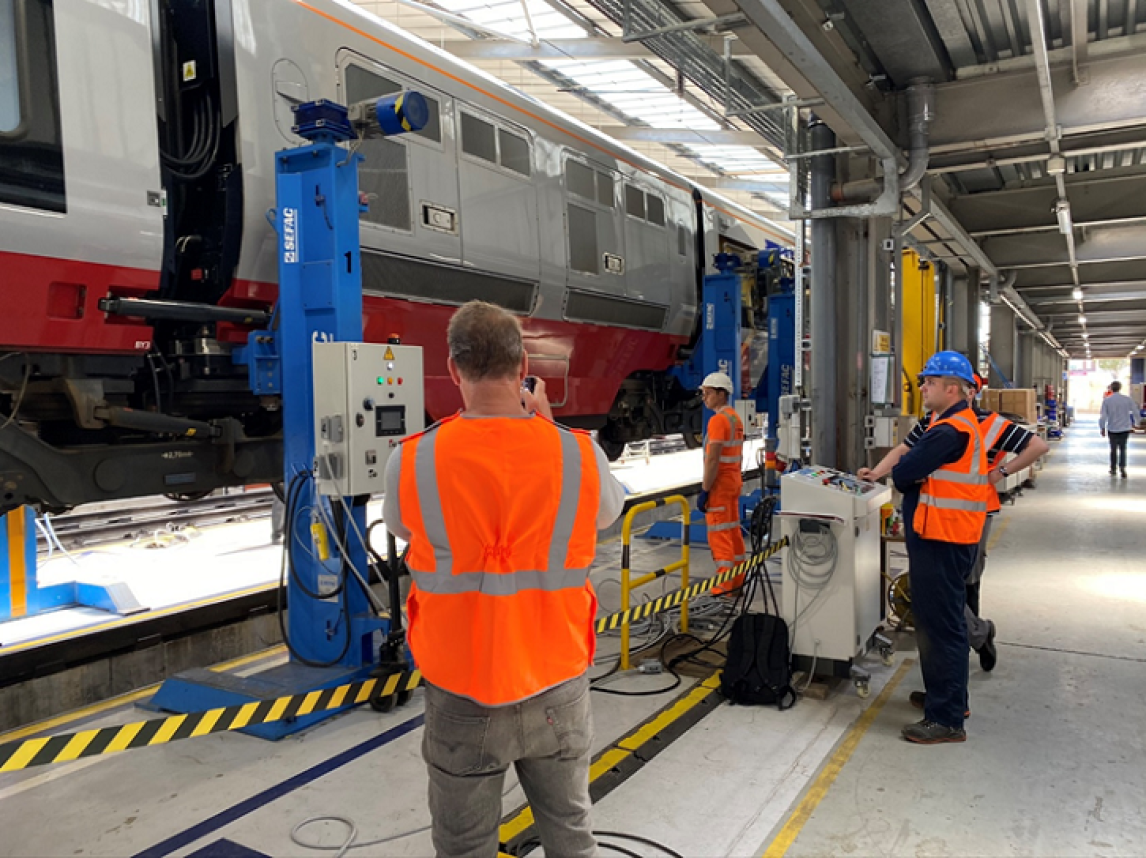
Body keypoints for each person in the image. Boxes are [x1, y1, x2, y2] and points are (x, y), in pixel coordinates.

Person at [383, 301, 625, 858]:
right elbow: (607, 511)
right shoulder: (579, 454)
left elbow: (399, 525)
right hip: (555, 683)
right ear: (523, 370)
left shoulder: (413, 461)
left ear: (452, 369)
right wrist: (549, 426)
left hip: (461, 689)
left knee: (464, 847)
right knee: (570, 835)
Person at [860, 373, 1049, 674]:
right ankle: (965, 649)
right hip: (935, 516)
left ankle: (971, 644)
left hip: (972, 514)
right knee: (941, 593)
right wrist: (878, 473)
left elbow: (1038, 446)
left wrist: (999, 472)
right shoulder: (935, 423)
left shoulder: (987, 423)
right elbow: (904, 451)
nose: (925, 389)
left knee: (959, 587)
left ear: (964, 391)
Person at [885, 351, 990, 744]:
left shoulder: (949, 431)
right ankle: (947, 700)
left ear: (952, 388)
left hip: (942, 539)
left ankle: (946, 719)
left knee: (940, 628)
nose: (923, 387)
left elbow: (904, 472)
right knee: (938, 624)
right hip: (945, 536)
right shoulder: (947, 423)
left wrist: (905, 474)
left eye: (929, 382)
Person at [694, 372, 746, 596]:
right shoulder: (735, 418)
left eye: (707, 393)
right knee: (733, 532)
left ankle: (724, 588)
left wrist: (705, 490)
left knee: (720, 535)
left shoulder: (717, 421)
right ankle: (737, 582)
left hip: (719, 486)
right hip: (733, 483)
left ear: (720, 393)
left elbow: (713, 459)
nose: (704, 398)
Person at [1099, 381, 1136, 478]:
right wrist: (1136, 423)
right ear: (1120, 388)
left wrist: (1102, 427)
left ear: (1111, 388)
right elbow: (1135, 411)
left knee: (1113, 449)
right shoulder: (1127, 399)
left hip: (1112, 428)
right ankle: (1123, 468)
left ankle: (1113, 469)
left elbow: (1103, 416)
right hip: (1125, 428)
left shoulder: (1107, 400)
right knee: (1123, 448)